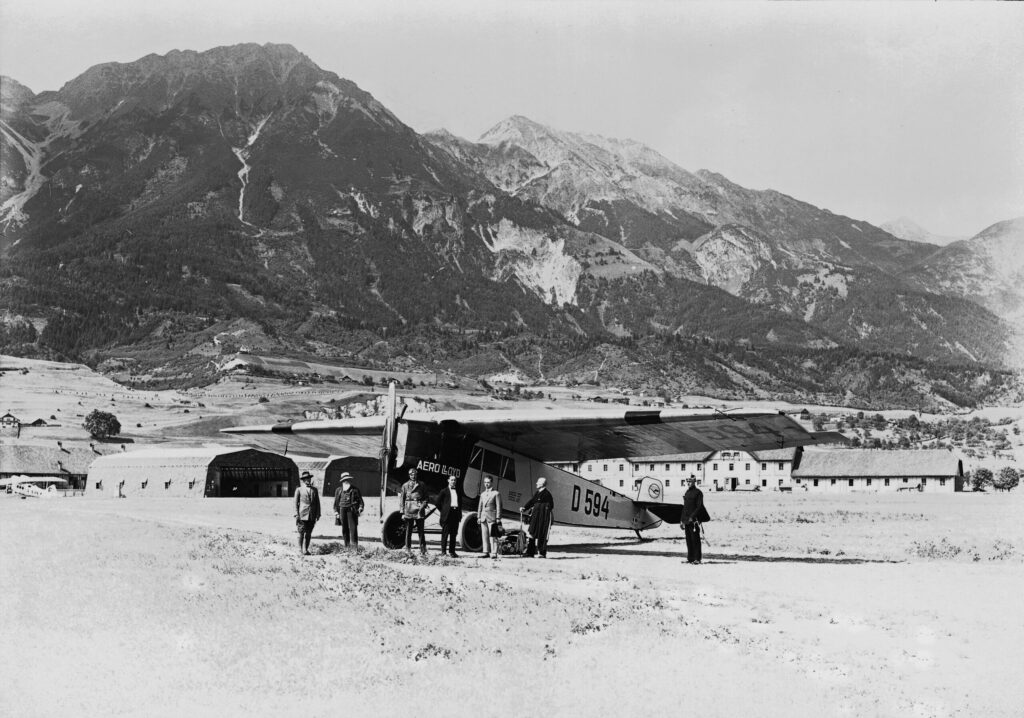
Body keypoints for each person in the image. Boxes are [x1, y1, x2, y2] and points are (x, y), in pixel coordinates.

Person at [399, 467, 429, 554]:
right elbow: (402, 499)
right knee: (408, 531)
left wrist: (423, 505)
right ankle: (408, 549)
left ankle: (423, 550)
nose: (413, 476)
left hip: (419, 510)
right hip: (408, 510)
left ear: (417, 475)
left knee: (421, 531)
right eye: (411, 474)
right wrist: (402, 512)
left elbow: (426, 497)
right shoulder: (405, 485)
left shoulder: (422, 485)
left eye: (415, 474)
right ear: (409, 475)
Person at [523, 477, 554, 558]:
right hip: (535, 516)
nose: (536, 483)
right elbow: (532, 501)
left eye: (537, 482)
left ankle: (542, 553)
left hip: (542, 517)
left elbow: (550, 506)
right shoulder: (537, 493)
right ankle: (530, 552)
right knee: (531, 532)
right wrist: (524, 508)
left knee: (542, 533)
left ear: (542, 484)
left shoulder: (547, 494)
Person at [680, 475, 708, 564]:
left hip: (694, 520)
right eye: (687, 481)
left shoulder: (698, 492)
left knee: (695, 539)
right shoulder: (687, 492)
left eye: (690, 481)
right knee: (688, 540)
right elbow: (685, 508)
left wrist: (692, 516)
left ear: (694, 482)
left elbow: (699, 507)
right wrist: (681, 520)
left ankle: (697, 559)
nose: (688, 483)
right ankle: (690, 558)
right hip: (686, 520)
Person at [333, 473, 364, 548]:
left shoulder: (355, 490)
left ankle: (354, 547)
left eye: (348, 479)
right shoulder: (338, 490)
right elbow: (335, 503)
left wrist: (360, 508)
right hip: (342, 510)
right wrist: (336, 512)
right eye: (344, 480)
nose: (346, 481)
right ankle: (346, 546)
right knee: (344, 528)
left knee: (353, 528)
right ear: (342, 481)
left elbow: (361, 502)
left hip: (351, 510)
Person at [434, 475, 462, 558]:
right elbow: (437, 503)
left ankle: (452, 552)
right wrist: (443, 511)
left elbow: (460, 503)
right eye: (452, 480)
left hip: (455, 514)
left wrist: (459, 513)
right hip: (447, 515)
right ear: (448, 481)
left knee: (453, 534)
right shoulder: (444, 491)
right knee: (445, 534)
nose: (453, 481)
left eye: (454, 480)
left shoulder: (458, 491)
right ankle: (443, 552)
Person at [294, 471, 321, 556]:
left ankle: (306, 549)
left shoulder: (315, 490)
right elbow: (295, 503)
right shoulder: (299, 489)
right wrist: (296, 514)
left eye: (309, 478)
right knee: (301, 532)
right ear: (303, 480)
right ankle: (300, 549)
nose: (307, 480)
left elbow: (317, 502)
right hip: (302, 514)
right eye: (306, 479)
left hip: (312, 515)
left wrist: (318, 513)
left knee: (309, 533)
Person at [477, 475, 502, 559]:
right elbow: (480, 506)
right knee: (484, 535)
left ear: (491, 482)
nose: (486, 484)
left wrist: (498, 518)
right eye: (485, 482)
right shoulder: (482, 494)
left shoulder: (496, 493)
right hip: (483, 517)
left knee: (493, 536)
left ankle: (494, 552)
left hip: (492, 517)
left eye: (488, 482)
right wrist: (478, 517)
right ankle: (485, 551)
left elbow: (499, 506)